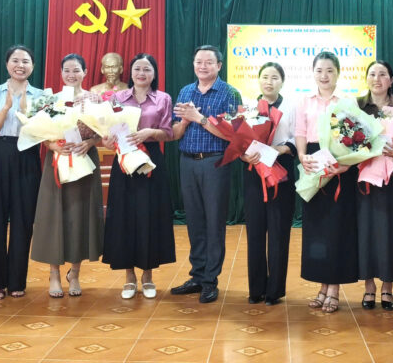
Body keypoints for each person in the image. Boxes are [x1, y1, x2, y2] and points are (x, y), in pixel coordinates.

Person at [170, 45, 242, 304]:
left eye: (208, 62)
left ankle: (211, 280)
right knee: (194, 221)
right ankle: (197, 276)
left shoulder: (230, 93)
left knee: (214, 222)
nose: (203, 66)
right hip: (187, 162)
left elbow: (233, 134)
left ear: (219, 65)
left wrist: (199, 118)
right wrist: (185, 121)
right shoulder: (185, 91)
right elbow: (176, 131)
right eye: (198, 61)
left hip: (214, 162)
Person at [102, 53, 176, 299]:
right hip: (124, 159)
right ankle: (129, 277)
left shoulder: (163, 98)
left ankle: (148, 276)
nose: (141, 73)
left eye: (147, 69)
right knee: (124, 216)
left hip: (150, 161)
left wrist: (149, 133)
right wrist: (108, 139)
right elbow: (109, 130)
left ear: (154, 73)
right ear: (130, 72)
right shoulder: (117, 98)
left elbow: (168, 133)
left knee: (149, 216)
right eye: (137, 69)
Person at [31, 54, 104, 298]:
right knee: (55, 214)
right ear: (61, 72)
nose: (71, 74)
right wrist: (52, 145)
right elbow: (39, 132)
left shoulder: (95, 99)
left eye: (76, 70)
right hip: (58, 159)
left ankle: (75, 273)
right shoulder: (51, 99)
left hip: (84, 159)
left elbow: (104, 131)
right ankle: (53, 274)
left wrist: (90, 142)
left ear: (85, 72)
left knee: (80, 215)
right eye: (67, 70)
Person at [0, 45, 43, 299]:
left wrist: (27, 110)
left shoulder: (41, 95)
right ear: (7, 64)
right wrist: (6, 107)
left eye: (26, 61)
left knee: (23, 219)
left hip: (27, 154)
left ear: (33, 66)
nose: (20, 65)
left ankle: (17, 281)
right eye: (15, 60)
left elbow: (40, 132)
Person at [295, 51, 357, 314]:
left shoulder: (347, 101)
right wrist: (302, 156)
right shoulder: (304, 101)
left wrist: (346, 163)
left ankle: (334, 290)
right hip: (313, 163)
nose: (324, 75)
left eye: (330, 70)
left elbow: (354, 137)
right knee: (317, 229)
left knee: (337, 228)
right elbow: (300, 132)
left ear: (338, 73)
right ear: (313, 73)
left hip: (339, 165)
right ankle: (322, 287)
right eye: (320, 70)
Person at [356, 60, 393, 311]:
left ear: (391, 80)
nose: (377, 79)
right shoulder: (357, 106)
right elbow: (344, 140)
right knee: (365, 229)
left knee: (392, 230)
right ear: (366, 78)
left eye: (382, 75)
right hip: (364, 177)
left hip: (392, 178)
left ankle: (388, 288)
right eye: (372, 74)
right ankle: (369, 286)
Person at [242, 62, 297, 306]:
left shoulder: (291, 107)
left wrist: (279, 149)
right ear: (258, 80)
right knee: (254, 232)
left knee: (278, 232)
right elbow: (239, 140)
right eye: (265, 77)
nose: (269, 81)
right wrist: (245, 155)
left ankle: (274, 291)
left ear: (282, 81)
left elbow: (297, 139)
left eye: (275, 77)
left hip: (280, 170)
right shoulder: (248, 108)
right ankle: (256, 289)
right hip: (254, 170)